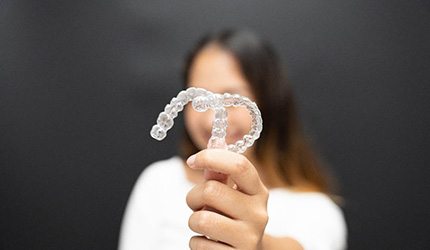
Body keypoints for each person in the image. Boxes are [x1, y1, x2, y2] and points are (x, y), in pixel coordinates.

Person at [119, 29, 347, 250]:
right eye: (199, 98)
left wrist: (259, 247)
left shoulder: (317, 211)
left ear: (269, 101)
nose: (211, 121)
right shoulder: (159, 183)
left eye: (233, 98)